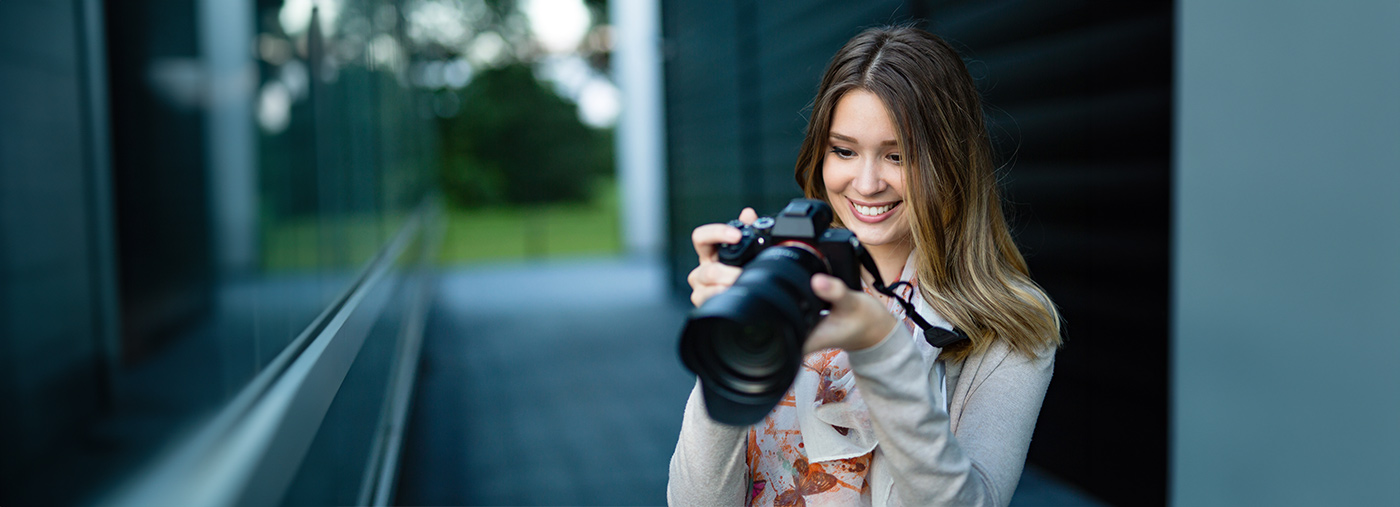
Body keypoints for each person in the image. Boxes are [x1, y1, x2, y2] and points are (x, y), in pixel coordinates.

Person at [668, 26, 1062, 507]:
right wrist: (726, 332)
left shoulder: (1012, 325)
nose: (867, 182)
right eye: (844, 151)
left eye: (898, 155)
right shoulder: (779, 277)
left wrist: (880, 349)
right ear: (820, 153)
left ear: (952, 163)